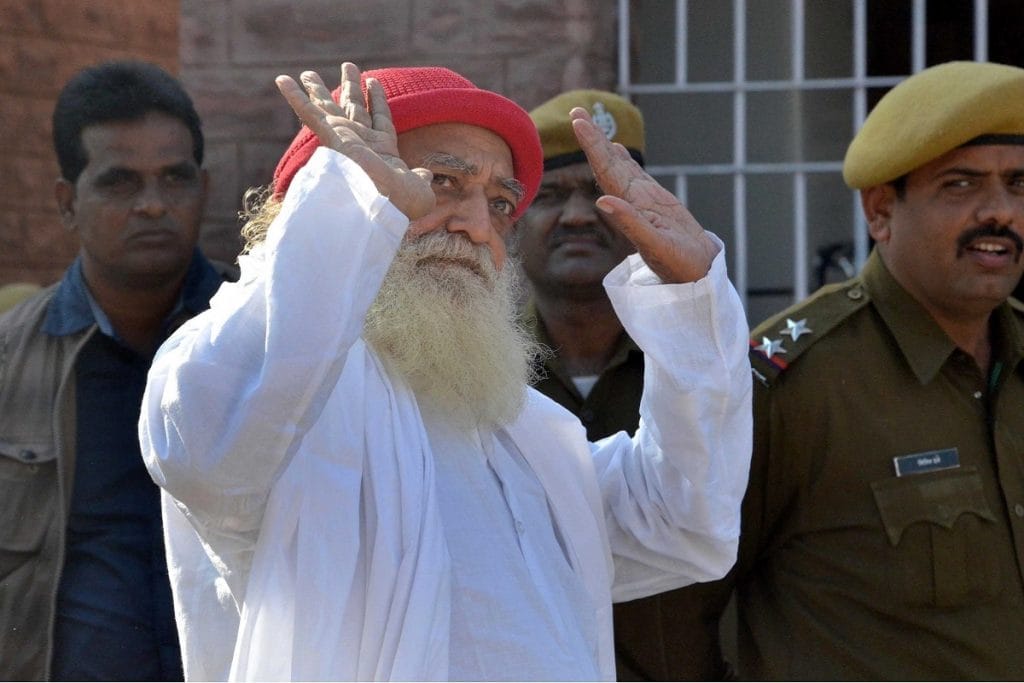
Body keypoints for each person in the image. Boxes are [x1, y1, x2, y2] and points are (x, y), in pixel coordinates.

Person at [140, 61, 752, 681]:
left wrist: (692, 297)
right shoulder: (258, 390)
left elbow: (680, 523)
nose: (478, 227)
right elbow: (207, 441)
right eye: (440, 183)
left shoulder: (531, 439)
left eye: (500, 203)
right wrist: (350, 203)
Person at [673, 60, 1024, 679]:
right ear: (880, 211)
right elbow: (667, 619)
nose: (1000, 213)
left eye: (1019, 184)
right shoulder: (788, 384)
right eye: (961, 185)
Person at [0, 61, 236, 680]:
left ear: (204, 189)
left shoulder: (263, 342)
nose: (153, 205)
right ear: (66, 204)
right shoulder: (9, 364)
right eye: (120, 182)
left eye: (174, 178)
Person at [516, 89, 725, 681]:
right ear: (512, 221)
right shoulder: (470, 383)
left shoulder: (706, 369)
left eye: (602, 194)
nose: (578, 215)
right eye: (549, 195)